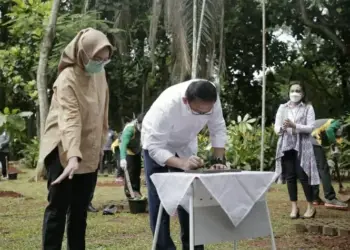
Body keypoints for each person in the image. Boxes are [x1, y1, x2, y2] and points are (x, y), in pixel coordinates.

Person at [37, 28, 112, 250]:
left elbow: (102, 112)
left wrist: (100, 143)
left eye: (105, 60)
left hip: (88, 150)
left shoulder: (100, 75)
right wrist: (72, 156)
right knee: (58, 209)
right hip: (62, 149)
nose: (100, 63)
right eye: (97, 59)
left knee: (80, 211)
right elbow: (70, 119)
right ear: (83, 53)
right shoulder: (66, 79)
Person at [142, 79, 227, 250]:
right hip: (158, 144)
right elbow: (155, 147)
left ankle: (194, 245)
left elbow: (217, 128)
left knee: (191, 197)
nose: (204, 114)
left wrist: (219, 161)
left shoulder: (213, 98)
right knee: (159, 198)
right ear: (186, 101)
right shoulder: (166, 107)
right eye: (198, 112)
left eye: (207, 111)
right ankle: (163, 246)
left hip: (185, 144)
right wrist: (181, 163)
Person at [274, 81, 320, 219]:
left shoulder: (308, 108)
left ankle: (310, 206)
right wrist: (282, 128)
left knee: (303, 175)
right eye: (292, 90)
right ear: (288, 92)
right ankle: (294, 207)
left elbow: (311, 127)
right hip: (286, 144)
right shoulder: (283, 108)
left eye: (298, 91)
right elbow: (276, 127)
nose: (295, 93)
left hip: (302, 145)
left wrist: (295, 125)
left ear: (303, 93)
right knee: (290, 176)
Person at [311, 118, 348, 209]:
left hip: (307, 139)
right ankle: (330, 198)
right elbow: (329, 131)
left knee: (315, 169)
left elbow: (331, 138)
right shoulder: (337, 122)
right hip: (312, 138)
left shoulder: (330, 128)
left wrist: (334, 148)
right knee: (323, 168)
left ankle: (314, 198)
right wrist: (333, 144)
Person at [118, 113, 144, 198]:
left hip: (136, 150)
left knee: (137, 171)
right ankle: (129, 192)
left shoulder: (147, 128)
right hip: (127, 149)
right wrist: (122, 158)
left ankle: (136, 190)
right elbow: (123, 145)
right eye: (141, 126)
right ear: (137, 122)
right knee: (131, 171)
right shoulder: (130, 129)